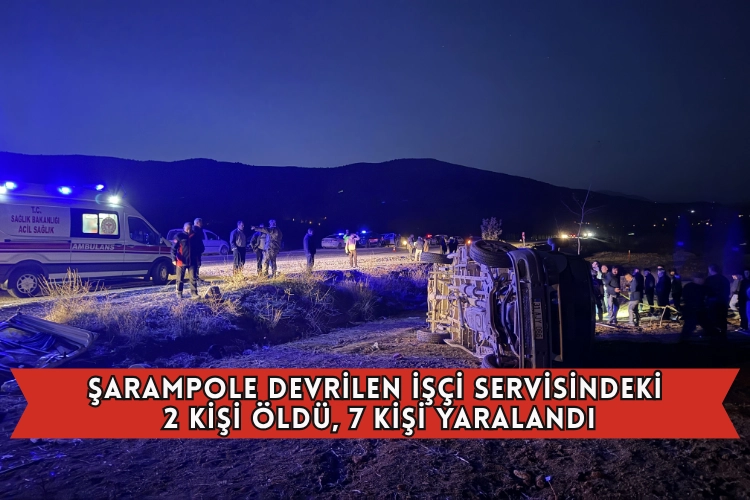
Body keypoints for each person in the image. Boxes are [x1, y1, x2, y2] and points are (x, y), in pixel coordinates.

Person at [171, 222, 200, 298]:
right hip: (181, 261)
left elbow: (200, 248)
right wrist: (173, 259)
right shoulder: (179, 236)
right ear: (184, 228)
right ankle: (179, 292)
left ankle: (194, 293)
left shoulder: (195, 236)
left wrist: (198, 259)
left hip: (192, 261)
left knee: (193, 278)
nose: (188, 231)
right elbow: (173, 249)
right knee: (180, 278)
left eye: (190, 229)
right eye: (187, 229)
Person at [705, 264, 730, 338]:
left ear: (711, 270)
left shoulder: (709, 279)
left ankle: (714, 334)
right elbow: (727, 291)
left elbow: (706, 290)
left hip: (712, 302)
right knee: (722, 318)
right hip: (723, 302)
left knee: (713, 318)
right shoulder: (724, 279)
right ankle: (723, 334)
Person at [681, 273, 708, 340]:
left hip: (696, 309)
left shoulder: (689, 286)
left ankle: (684, 339)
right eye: (702, 279)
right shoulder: (693, 287)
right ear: (698, 279)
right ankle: (684, 339)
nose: (703, 281)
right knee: (690, 324)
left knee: (704, 324)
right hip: (693, 309)